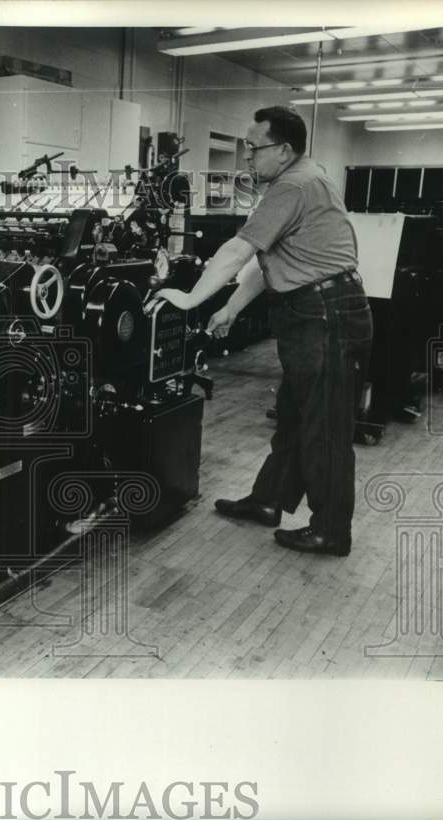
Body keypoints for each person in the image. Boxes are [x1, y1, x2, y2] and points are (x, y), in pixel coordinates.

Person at [150, 106, 372, 557]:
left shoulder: (294, 184)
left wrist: (192, 299)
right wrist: (230, 308)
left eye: (254, 148)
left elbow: (237, 250)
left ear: (284, 150)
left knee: (324, 426)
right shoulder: (302, 179)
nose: (247, 157)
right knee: (294, 415)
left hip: (324, 312)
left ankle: (331, 531)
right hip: (314, 310)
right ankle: (269, 500)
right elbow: (264, 260)